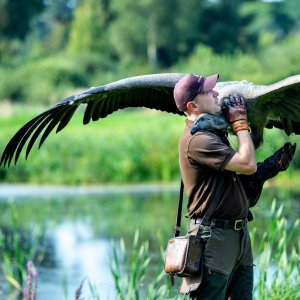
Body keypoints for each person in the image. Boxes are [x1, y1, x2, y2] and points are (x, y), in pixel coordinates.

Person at [172, 73, 296, 300]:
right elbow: (246, 164)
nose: (218, 92)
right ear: (193, 105)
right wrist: (240, 124)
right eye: (209, 93)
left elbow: (232, 187)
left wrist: (268, 169)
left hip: (236, 237)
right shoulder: (199, 140)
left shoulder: (212, 133)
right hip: (213, 240)